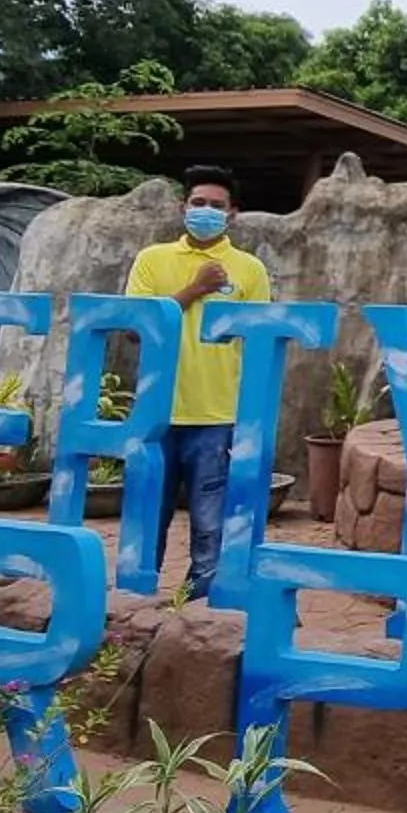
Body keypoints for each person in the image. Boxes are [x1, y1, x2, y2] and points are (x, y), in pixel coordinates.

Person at [121, 167, 270, 600]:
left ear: (233, 215)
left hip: (216, 414)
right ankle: (135, 606)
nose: (206, 211)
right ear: (183, 207)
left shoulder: (249, 269)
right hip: (154, 415)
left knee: (211, 524)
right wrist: (195, 289)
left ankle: (199, 611)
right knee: (148, 516)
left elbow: (260, 338)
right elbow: (135, 329)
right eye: (198, 203)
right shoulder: (153, 259)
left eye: (216, 206)